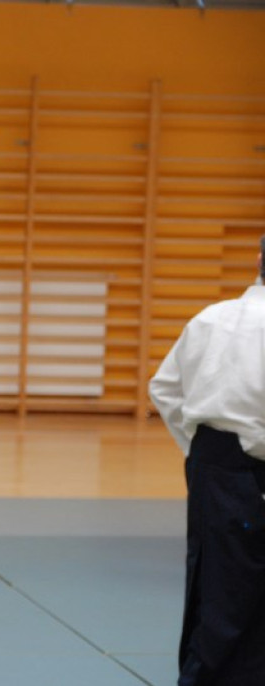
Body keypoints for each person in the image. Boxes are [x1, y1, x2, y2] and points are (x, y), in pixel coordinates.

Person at [149, 235, 265, 686]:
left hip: (216, 468)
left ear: (258, 259)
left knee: (215, 595)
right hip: (235, 465)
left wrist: (202, 453)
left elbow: (164, 388)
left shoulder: (211, 319)